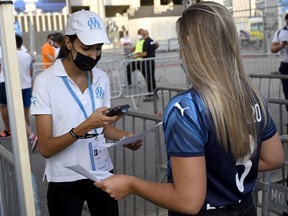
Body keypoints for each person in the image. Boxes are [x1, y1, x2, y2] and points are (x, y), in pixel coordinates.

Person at [95, 2, 284, 216]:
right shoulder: (252, 95)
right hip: (245, 209)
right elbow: (274, 158)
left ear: (188, 42)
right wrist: (219, 169)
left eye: (179, 43)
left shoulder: (187, 108)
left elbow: (188, 201)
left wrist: (131, 184)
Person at [30, 10, 142, 216]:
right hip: (64, 178)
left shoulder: (101, 77)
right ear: (69, 42)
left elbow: (105, 128)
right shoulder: (45, 81)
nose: (93, 55)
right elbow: (45, 147)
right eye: (86, 48)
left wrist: (126, 138)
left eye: (98, 48)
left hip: (101, 173)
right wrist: (87, 125)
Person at [15, 34, 38, 151]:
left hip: (16, 88)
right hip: (27, 86)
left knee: (16, 114)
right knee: (25, 113)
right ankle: (28, 136)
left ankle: (29, 135)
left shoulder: (10, 55)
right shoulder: (27, 56)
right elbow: (31, 70)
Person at [271, 13, 288, 112]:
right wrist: (280, 46)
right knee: (287, 92)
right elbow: (273, 49)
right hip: (285, 66)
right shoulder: (280, 33)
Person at [139, 29, 159, 101]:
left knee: (149, 79)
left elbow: (145, 53)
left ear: (144, 34)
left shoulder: (146, 42)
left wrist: (136, 55)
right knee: (152, 78)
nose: (141, 36)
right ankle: (154, 93)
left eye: (142, 34)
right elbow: (157, 45)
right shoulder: (151, 40)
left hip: (147, 63)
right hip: (152, 62)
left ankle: (151, 94)